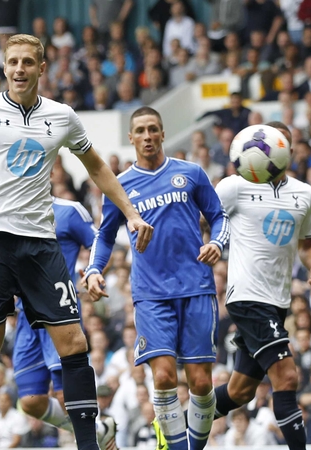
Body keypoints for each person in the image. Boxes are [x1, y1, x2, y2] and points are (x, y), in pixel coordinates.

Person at [0, 33, 153, 450]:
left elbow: (96, 166)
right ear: (4, 67)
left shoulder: (61, 116)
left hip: (40, 244)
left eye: (27, 62)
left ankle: (89, 445)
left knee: (74, 343)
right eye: (12, 62)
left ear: (42, 68)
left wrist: (131, 213)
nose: (19, 69)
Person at [84, 106, 229, 450]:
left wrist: (216, 243)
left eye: (153, 130)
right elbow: (104, 236)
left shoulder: (191, 173)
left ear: (163, 134)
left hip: (196, 287)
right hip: (151, 294)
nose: (147, 136)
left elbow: (219, 216)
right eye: (141, 131)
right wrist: (93, 269)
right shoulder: (119, 186)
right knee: (163, 376)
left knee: (200, 383)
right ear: (131, 138)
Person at [212, 122, 311, 450]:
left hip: (278, 300)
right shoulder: (234, 186)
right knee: (287, 377)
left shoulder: (304, 194)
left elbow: (307, 244)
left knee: (240, 392)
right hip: (247, 295)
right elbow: (203, 217)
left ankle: (181, 420)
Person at [12, 197, 117, 449]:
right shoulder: (9, 208)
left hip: (58, 310)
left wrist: (94, 272)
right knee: (30, 401)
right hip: (24, 315)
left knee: (64, 394)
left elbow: (100, 242)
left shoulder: (69, 211)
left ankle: (94, 441)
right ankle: (100, 431)